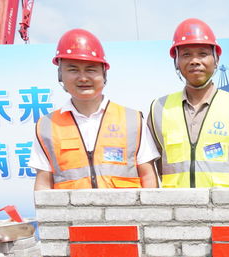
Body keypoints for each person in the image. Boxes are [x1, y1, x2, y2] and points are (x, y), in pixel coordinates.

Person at [32, 29, 158, 190]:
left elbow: (148, 175)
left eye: (91, 69)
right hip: (70, 208)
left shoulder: (132, 120)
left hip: (126, 207)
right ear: (60, 75)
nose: (83, 78)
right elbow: (43, 182)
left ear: (104, 73)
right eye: (73, 70)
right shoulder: (47, 126)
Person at [148, 18, 229, 188]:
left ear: (216, 60)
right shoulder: (159, 108)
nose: (194, 61)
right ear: (176, 62)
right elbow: (156, 162)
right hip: (176, 203)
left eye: (203, 54)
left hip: (228, 204)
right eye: (186, 54)